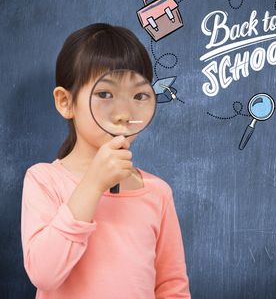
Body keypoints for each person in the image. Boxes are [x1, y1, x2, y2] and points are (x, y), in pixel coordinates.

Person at [20, 23, 191, 298]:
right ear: (66, 102)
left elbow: (172, 286)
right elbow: (44, 274)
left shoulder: (158, 193)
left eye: (138, 95)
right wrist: (93, 184)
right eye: (104, 94)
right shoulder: (44, 180)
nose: (123, 112)